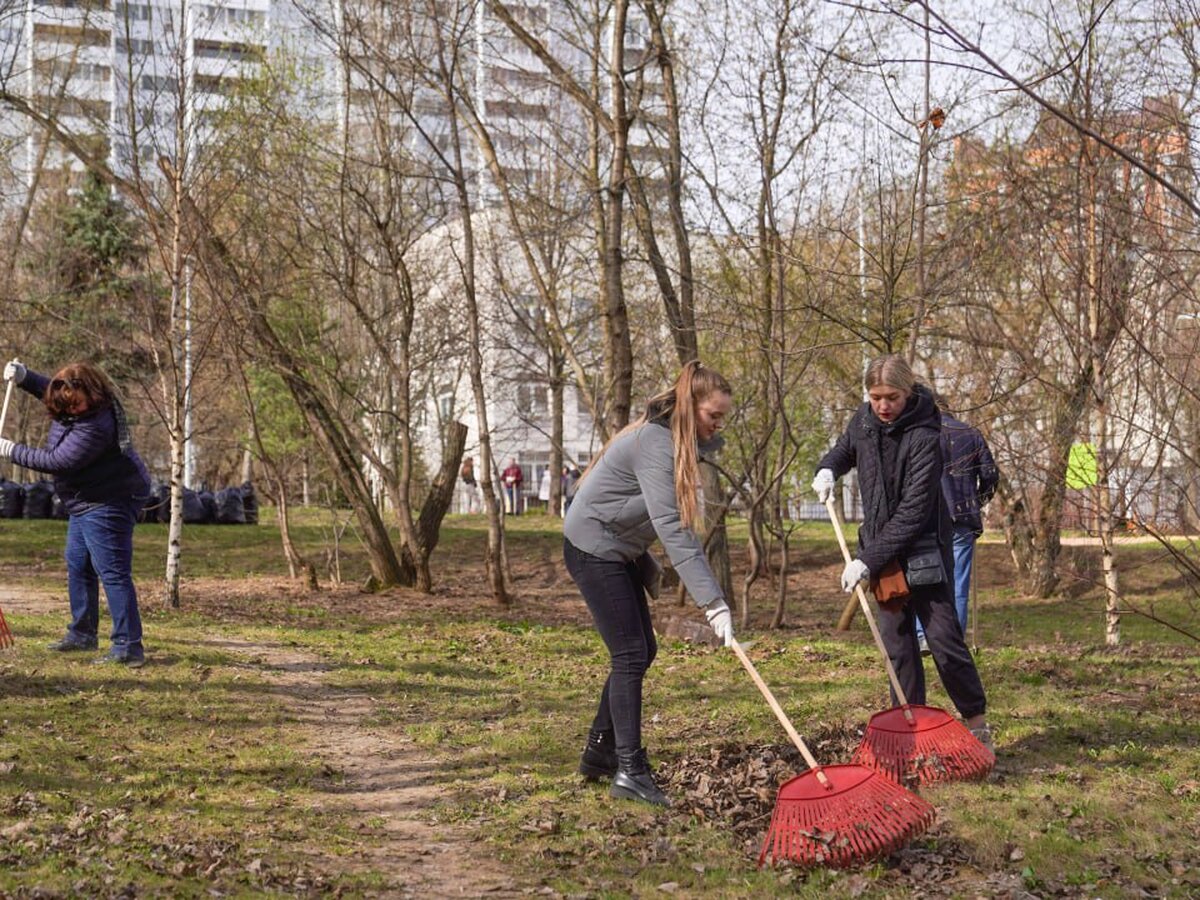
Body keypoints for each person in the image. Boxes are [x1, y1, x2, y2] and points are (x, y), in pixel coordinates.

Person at [563, 360, 735, 807]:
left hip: (617, 546)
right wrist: (713, 602)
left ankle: (600, 753)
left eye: (722, 417)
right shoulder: (656, 443)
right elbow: (674, 528)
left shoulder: (676, 440)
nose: (718, 425)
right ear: (689, 406)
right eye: (713, 415)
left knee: (641, 650)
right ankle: (629, 769)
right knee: (631, 652)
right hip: (594, 546)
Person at [811, 354, 992, 750]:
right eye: (875, 396)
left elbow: (913, 512)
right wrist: (827, 469)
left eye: (891, 396)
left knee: (944, 642)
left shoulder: (928, 435)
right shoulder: (863, 421)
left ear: (908, 392)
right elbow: (843, 451)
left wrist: (865, 560)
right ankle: (911, 734)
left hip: (925, 551)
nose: (882, 405)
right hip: (881, 552)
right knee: (898, 649)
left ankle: (978, 724)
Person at [0, 359, 152, 667]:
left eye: (77, 404)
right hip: (85, 499)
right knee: (79, 564)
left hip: (111, 498)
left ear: (92, 392)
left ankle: (128, 646)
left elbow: (58, 461)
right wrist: (25, 376)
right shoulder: (71, 401)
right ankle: (82, 633)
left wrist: (9, 449)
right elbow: (50, 389)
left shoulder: (97, 424)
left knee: (112, 571)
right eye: (67, 405)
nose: (72, 410)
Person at [915, 398, 999, 653]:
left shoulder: (922, 435)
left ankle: (923, 636)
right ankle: (954, 641)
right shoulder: (971, 434)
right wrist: (977, 500)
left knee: (925, 577)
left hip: (928, 519)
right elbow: (990, 477)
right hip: (962, 517)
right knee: (958, 582)